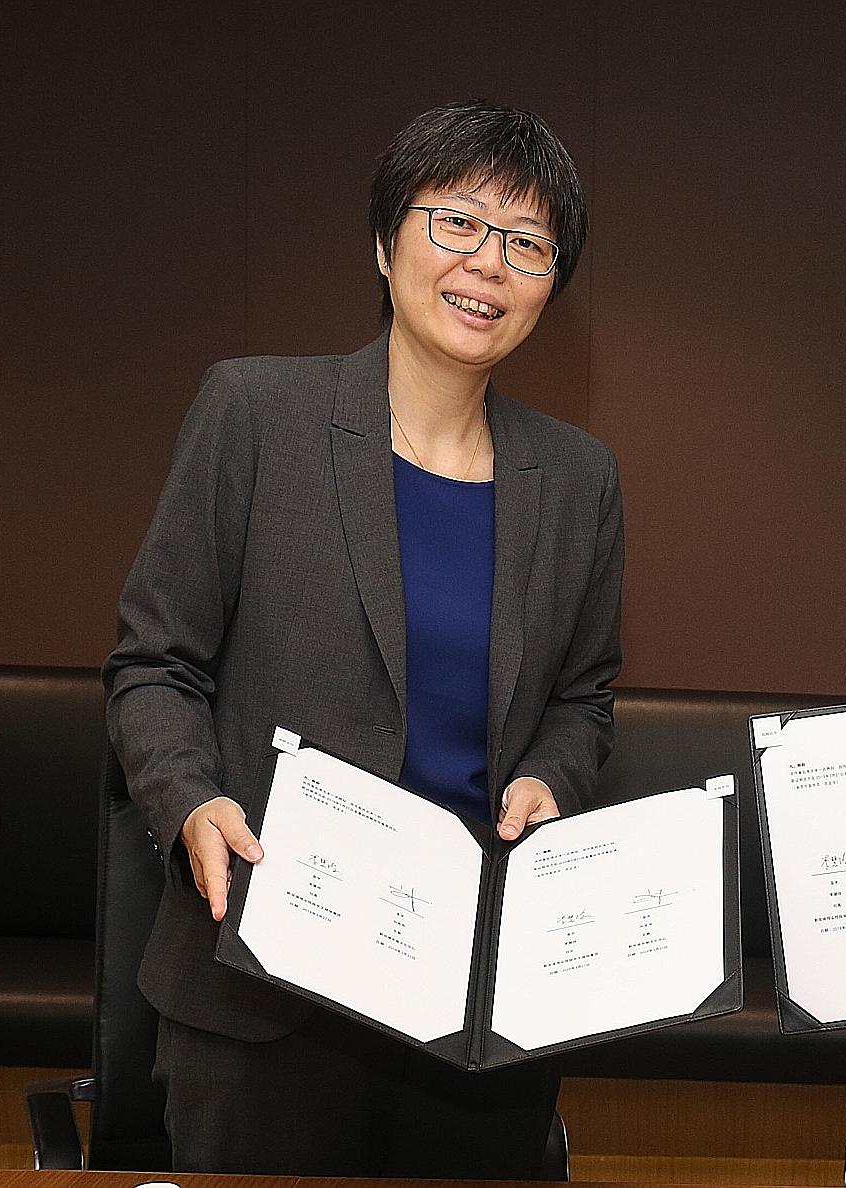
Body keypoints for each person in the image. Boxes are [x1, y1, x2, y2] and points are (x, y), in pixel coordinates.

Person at [104, 101, 622, 1179]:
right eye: (458, 223)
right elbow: (155, 662)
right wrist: (190, 800)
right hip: (262, 981)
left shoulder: (579, 478)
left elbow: (583, 698)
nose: (488, 264)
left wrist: (553, 780)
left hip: (475, 1001)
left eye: (527, 243)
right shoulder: (255, 413)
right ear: (386, 244)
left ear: (550, 285)